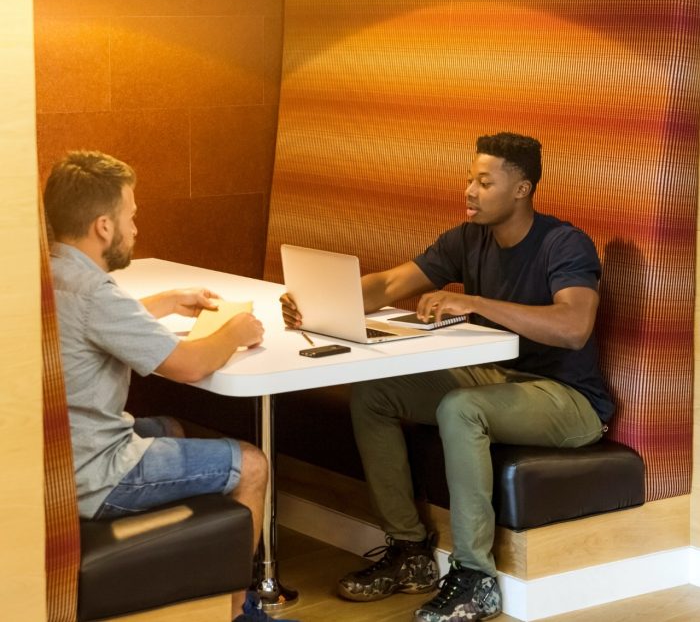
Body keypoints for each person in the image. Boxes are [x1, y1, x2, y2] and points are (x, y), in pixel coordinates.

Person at [281, 132, 614, 622]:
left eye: (484, 182)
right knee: (376, 394)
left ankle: (476, 578)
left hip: (567, 399)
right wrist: (318, 299)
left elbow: (572, 327)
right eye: (469, 179)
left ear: (521, 189)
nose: (470, 191)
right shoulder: (469, 238)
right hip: (497, 375)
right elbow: (392, 283)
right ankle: (411, 551)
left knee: (460, 408)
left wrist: (475, 303)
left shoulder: (563, 243)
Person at [44, 151, 298, 622]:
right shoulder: (94, 292)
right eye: (131, 217)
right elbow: (188, 366)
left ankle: (187, 587)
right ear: (104, 226)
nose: (135, 229)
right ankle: (241, 611)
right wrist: (235, 331)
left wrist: (164, 302)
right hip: (95, 473)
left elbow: (96, 321)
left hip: (55, 460)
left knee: (171, 427)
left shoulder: (48, 273)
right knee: (251, 463)